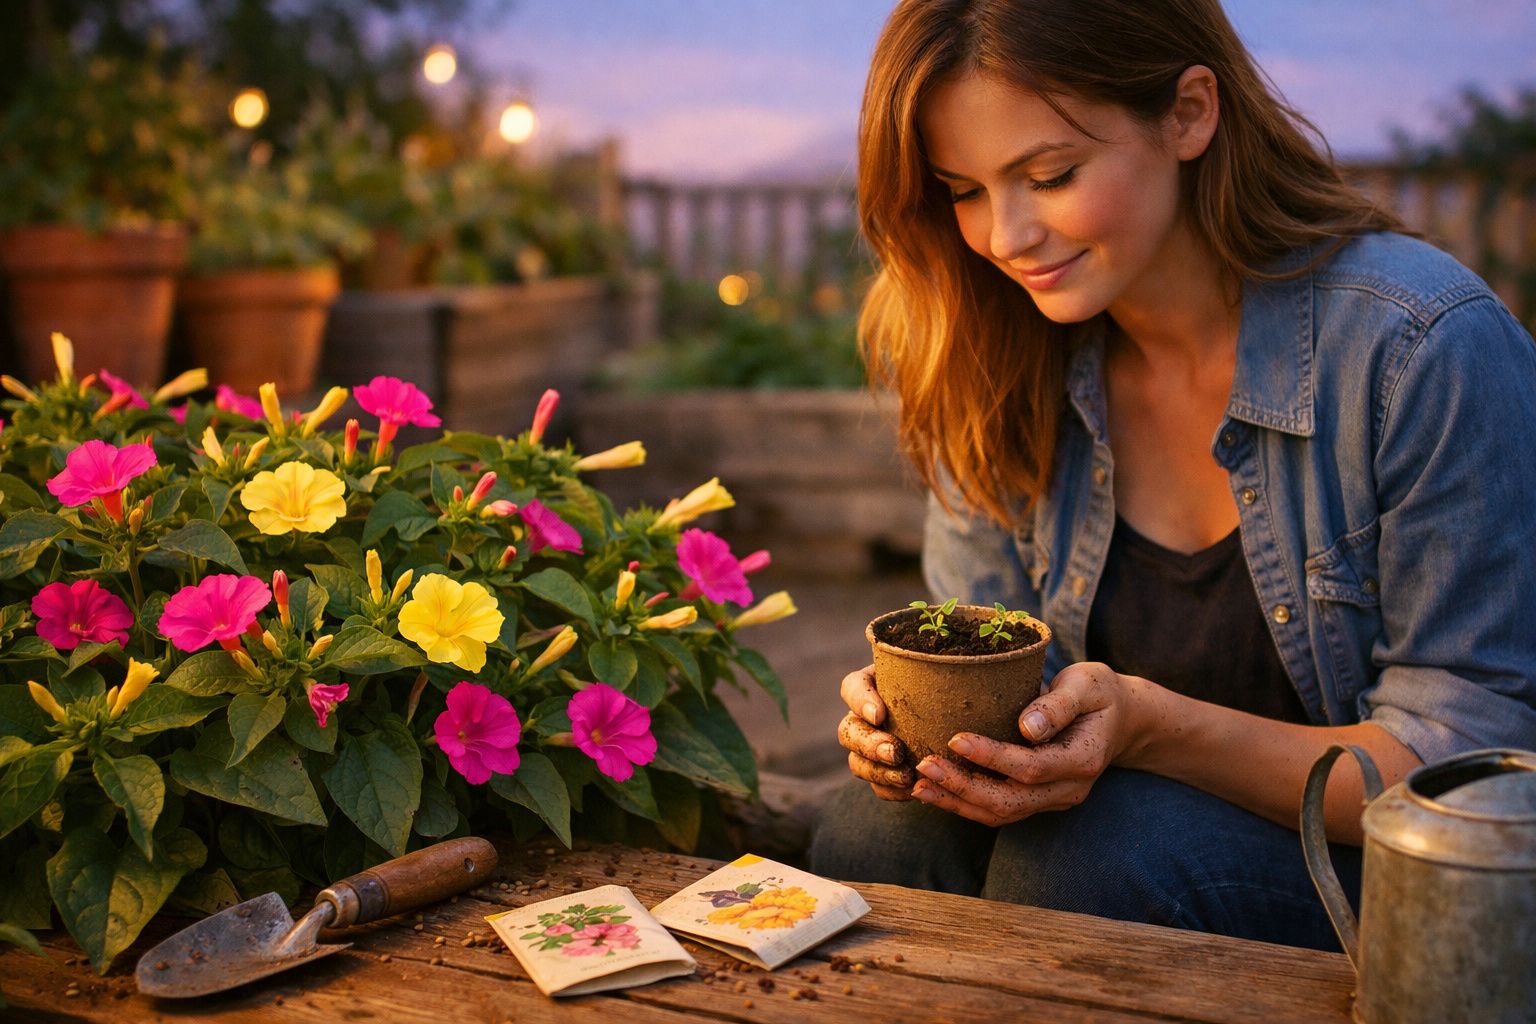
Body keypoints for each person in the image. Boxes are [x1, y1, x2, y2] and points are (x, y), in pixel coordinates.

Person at [810, 0, 1536, 951]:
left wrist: (1150, 726)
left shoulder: (1421, 348)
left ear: (1191, 113)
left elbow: (1466, 770)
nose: (1004, 235)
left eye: (1050, 175)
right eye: (963, 189)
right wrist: (919, 725)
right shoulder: (985, 350)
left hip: (1407, 882)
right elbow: (991, 663)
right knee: (875, 828)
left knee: (1092, 857)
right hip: (1107, 847)